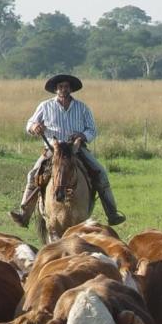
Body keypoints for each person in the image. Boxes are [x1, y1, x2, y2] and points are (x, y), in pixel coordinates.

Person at [9, 74, 125, 227]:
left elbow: (92, 130)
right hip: (53, 149)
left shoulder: (82, 108)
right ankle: (24, 214)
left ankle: (112, 214)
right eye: (60, 87)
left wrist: (82, 135)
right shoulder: (45, 106)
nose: (64, 89)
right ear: (56, 89)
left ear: (71, 89)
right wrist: (34, 127)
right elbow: (29, 124)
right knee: (33, 174)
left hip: (76, 149)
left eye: (66, 87)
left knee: (100, 172)